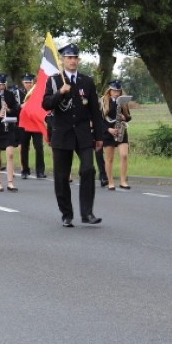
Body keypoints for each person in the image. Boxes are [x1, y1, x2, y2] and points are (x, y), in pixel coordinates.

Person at [42, 43, 105, 227]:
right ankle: (67, 214)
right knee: (61, 177)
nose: (72, 61)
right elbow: (46, 105)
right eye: (69, 58)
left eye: (75, 58)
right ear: (62, 60)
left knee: (88, 169)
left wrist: (99, 136)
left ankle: (87, 213)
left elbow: (95, 110)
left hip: (83, 133)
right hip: (62, 134)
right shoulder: (54, 81)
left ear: (78, 60)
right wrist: (60, 93)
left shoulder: (87, 81)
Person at [100, 80, 132, 190]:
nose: (117, 93)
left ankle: (123, 181)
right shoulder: (103, 101)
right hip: (108, 133)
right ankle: (111, 182)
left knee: (124, 155)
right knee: (109, 159)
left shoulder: (123, 102)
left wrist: (125, 118)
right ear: (110, 91)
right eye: (114, 91)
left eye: (118, 91)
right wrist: (108, 129)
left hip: (121, 131)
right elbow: (99, 120)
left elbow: (129, 117)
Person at [18, 73, 47, 180]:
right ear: (23, 83)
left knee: (39, 147)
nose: (28, 84)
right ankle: (25, 170)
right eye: (26, 82)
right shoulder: (18, 93)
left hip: (35, 122)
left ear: (33, 82)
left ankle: (40, 171)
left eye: (30, 82)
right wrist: (21, 106)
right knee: (24, 147)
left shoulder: (37, 92)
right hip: (24, 122)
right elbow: (14, 106)